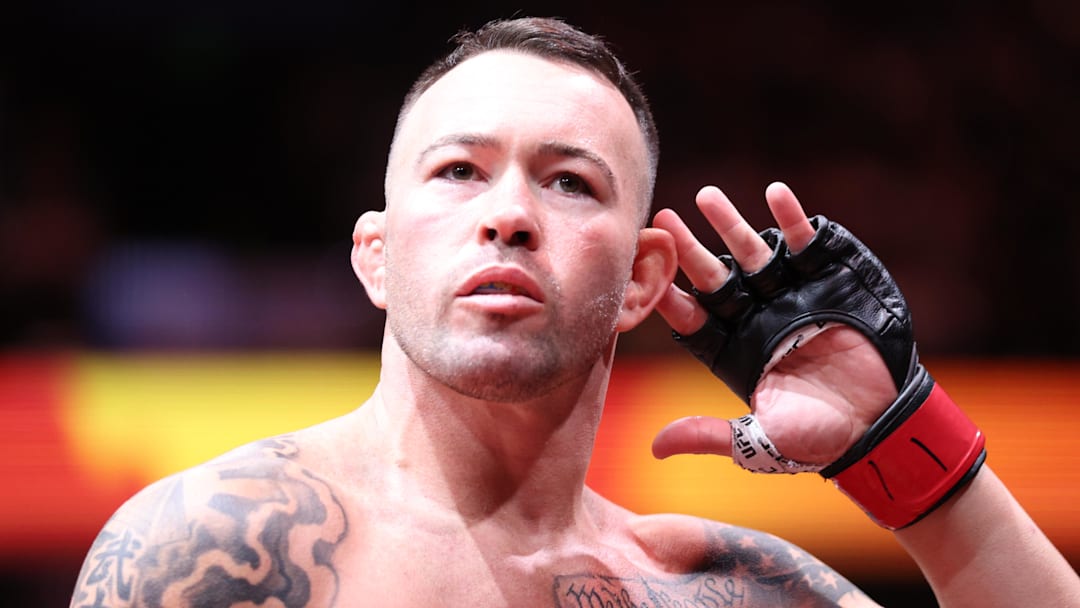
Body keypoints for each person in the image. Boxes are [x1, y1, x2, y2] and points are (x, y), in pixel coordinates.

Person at [70, 16, 1079, 608]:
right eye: (460, 170)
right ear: (375, 254)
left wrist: (907, 452)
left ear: (645, 279)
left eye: (569, 183)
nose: (508, 213)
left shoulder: (725, 588)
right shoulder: (214, 541)